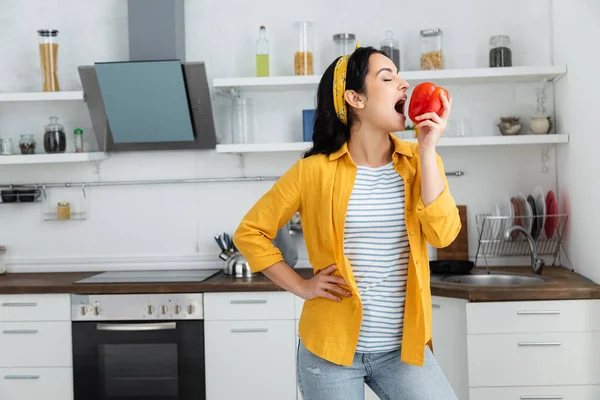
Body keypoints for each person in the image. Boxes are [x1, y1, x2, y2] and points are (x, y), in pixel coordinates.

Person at [233, 46, 461, 400]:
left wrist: (428, 148)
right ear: (355, 98)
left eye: (400, 76)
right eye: (387, 78)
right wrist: (302, 287)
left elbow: (443, 234)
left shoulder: (418, 162)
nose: (404, 84)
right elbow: (250, 233)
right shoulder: (313, 171)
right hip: (330, 352)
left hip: (401, 349)